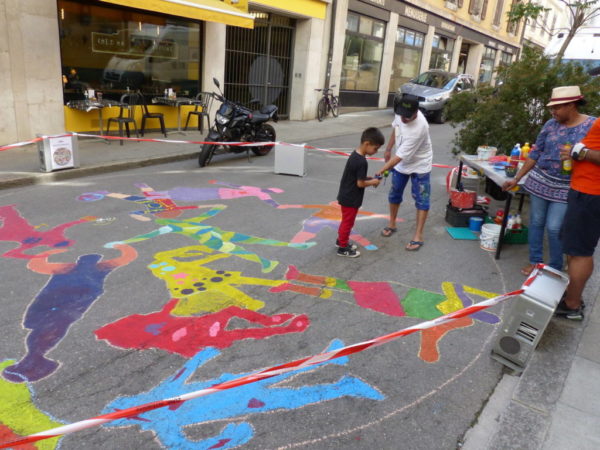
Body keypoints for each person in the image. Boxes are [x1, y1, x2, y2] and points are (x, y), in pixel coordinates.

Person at [503, 86, 595, 275]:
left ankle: (554, 267)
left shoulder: (592, 126)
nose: (553, 112)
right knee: (536, 222)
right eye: (551, 108)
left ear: (572, 105)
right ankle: (536, 263)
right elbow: (535, 153)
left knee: (554, 228)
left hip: (567, 186)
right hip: (540, 181)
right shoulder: (550, 125)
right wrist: (517, 178)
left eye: (557, 107)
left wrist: (580, 155)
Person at [555, 119, 600, 320]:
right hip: (584, 191)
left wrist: (581, 153)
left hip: (591, 193)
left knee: (580, 251)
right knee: (574, 248)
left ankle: (572, 305)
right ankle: (572, 294)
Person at [376, 93, 433, 251]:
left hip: (420, 165)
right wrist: (388, 149)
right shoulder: (400, 113)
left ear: (416, 112)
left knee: (422, 199)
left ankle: (418, 235)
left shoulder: (420, 127)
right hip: (401, 163)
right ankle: (392, 223)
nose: (404, 119)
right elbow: (396, 128)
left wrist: (380, 171)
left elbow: (400, 157)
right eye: (401, 114)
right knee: (395, 193)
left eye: (408, 117)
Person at [336, 127, 384, 257]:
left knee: (346, 220)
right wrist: (373, 182)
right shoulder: (362, 161)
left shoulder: (355, 155)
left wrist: (369, 178)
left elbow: (358, 177)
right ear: (367, 144)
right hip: (351, 198)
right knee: (348, 222)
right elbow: (360, 183)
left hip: (346, 194)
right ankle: (342, 248)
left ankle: (341, 240)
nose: (376, 151)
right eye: (375, 148)